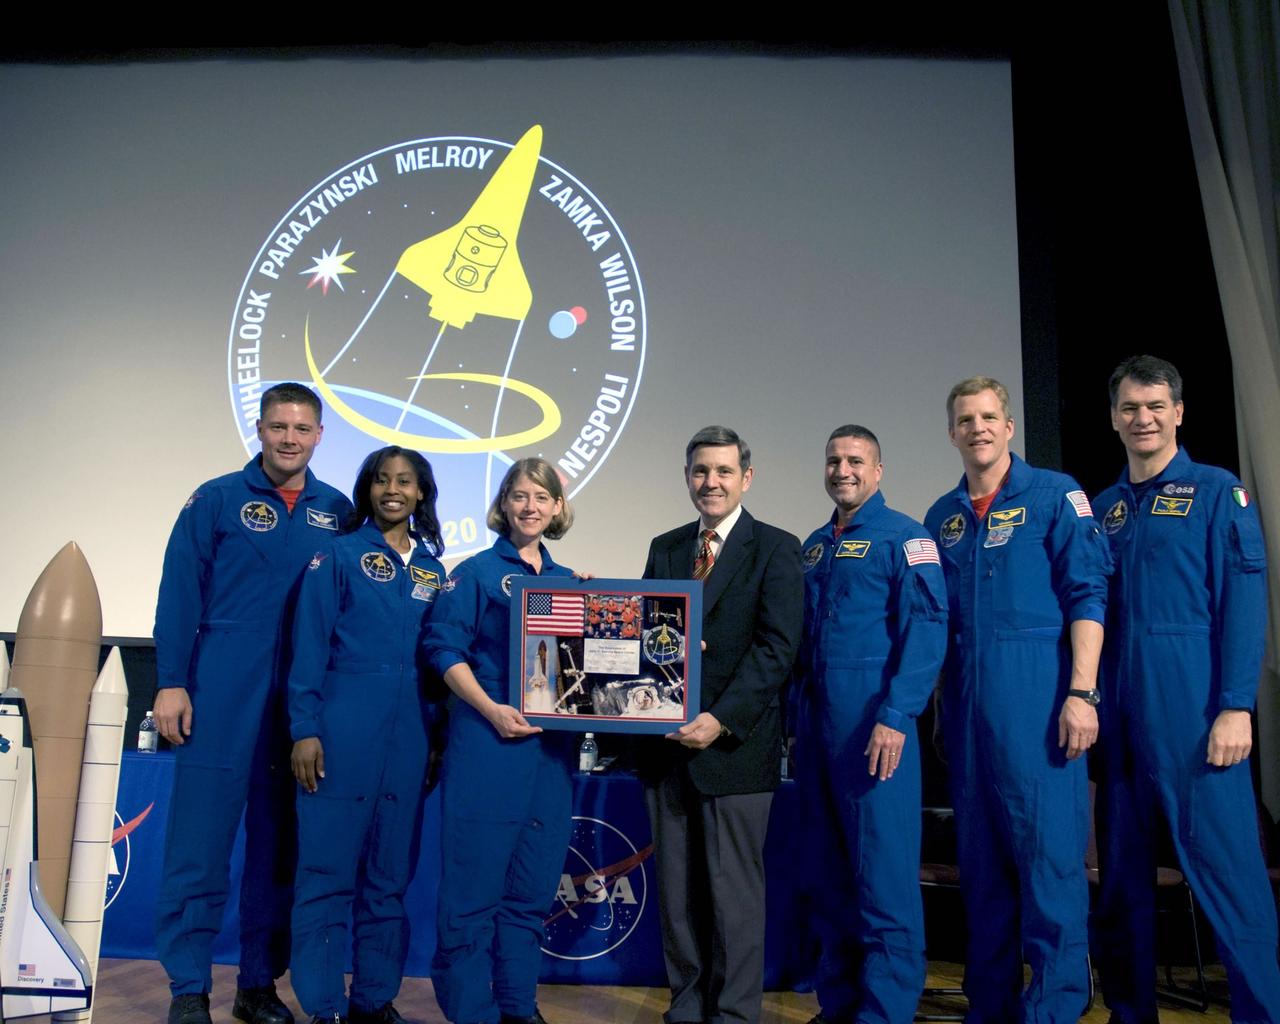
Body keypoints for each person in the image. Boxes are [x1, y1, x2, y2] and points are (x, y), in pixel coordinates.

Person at [153, 383, 353, 1024]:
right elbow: (180, 593)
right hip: (220, 689)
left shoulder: (340, 510)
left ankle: (257, 985)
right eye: (278, 426)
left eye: (302, 428)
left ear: (320, 435)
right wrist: (171, 680)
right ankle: (188, 988)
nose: (289, 438)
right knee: (199, 844)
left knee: (280, 849)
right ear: (260, 429)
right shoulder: (216, 500)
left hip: (299, 703)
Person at [1092, 355, 1280, 1024]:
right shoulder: (1105, 509)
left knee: (1231, 882)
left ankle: (1260, 1013)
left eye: (1154, 405)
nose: (1142, 418)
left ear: (1177, 412)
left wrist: (1235, 706)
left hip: (1197, 722)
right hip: (1119, 728)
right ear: (1114, 418)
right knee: (1119, 888)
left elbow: (1244, 606)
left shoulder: (1215, 492)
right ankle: (1129, 1013)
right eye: (1129, 408)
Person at [923, 377, 1110, 1023]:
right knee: (983, 877)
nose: (977, 427)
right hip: (971, 717)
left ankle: (1056, 1008)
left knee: (1051, 870)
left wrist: (1082, 693)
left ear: (1009, 427)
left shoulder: (1057, 496)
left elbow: (1089, 595)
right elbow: (936, 626)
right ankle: (992, 1008)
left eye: (988, 417)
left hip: (1040, 706)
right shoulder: (941, 518)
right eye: (965, 419)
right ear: (952, 433)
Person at [639, 425, 804, 1024]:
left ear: (746, 478)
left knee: (734, 896)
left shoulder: (776, 548)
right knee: (678, 897)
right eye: (701, 471)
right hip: (667, 749)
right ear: (688, 477)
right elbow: (648, 640)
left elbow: (777, 650)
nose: (711, 482)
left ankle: (735, 1014)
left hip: (735, 748)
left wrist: (719, 720)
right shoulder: (665, 546)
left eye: (723, 472)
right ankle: (685, 1008)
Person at [286, 447, 447, 1024]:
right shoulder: (337, 557)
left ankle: (374, 1000)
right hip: (340, 736)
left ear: (422, 492)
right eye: (381, 480)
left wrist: (438, 740)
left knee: (388, 880)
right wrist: (304, 729)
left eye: (405, 481)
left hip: (409, 745)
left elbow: (441, 664)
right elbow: (307, 652)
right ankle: (324, 1005)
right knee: (327, 876)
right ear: (367, 490)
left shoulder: (433, 572)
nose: (392, 490)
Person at [794, 425, 948, 1024]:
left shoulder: (906, 538)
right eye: (833, 460)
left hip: (874, 733)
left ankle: (885, 1013)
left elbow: (928, 632)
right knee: (828, 880)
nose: (842, 470)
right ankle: (839, 1007)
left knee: (883, 883)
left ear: (878, 470)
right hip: (817, 734)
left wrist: (896, 715)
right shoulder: (813, 546)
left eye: (855, 460)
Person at [421, 458, 577, 1024]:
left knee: (531, 894)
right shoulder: (476, 573)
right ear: (503, 505)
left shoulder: (571, 585)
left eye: (542, 496)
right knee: (472, 894)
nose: (530, 506)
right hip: (488, 744)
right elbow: (443, 651)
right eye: (519, 495)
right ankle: (471, 1011)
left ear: (558, 507)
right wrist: (490, 708)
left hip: (550, 758)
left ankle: (517, 1006)